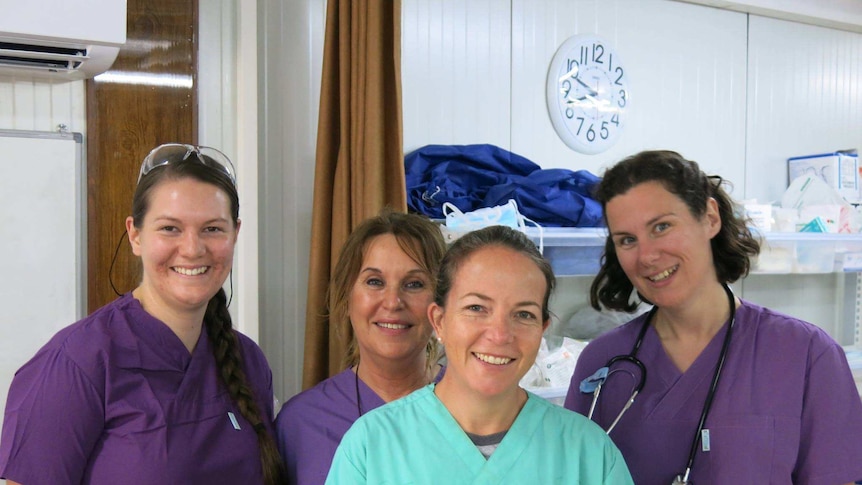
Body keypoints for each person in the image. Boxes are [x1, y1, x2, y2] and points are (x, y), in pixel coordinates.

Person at [565, 150, 862, 484]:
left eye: (662, 226)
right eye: (627, 240)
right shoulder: (602, 364)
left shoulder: (806, 354)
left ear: (710, 218)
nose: (647, 255)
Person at [0, 143, 284, 484]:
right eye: (170, 228)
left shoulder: (247, 360)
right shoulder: (76, 364)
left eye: (212, 228)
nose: (193, 248)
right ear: (135, 235)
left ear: (235, 234)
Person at [326, 225, 633, 484]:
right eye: (476, 308)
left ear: (542, 329)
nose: (499, 334)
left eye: (523, 314)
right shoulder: (370, 446)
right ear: (439, 321)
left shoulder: (589, 455)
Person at [275, 209, 447, 485]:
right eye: (375, 282)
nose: (392, 302)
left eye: (414, 284)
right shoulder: (299, 423)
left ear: (439, 306)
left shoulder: (475, 410)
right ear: (347, 295)